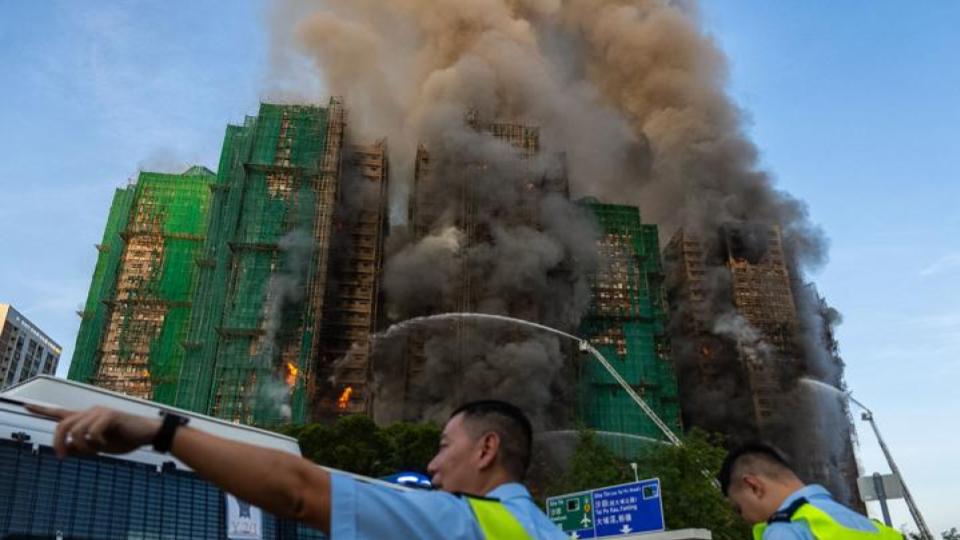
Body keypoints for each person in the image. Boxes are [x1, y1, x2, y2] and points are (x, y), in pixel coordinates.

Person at [27, 398, 568, 539]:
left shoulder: (461, 522)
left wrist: (161, 432)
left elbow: (299, 490)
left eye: (444, 444)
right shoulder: (551, 534)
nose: (432, 463)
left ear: (486, 449)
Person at [718, 442, 903, 540]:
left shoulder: (785, 529)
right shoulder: (870, 527)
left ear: (754, 486)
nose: (743, 518)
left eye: (738, 508)